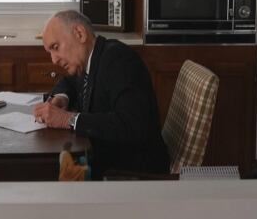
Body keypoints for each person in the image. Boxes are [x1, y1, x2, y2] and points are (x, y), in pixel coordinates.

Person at [33, 10, 170, 179]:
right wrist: (62, 97)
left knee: (42, 174)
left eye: (55, 47)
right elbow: (69, 82)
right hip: (107, 160)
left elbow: (133, 125)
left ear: (79, 34)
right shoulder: (90, 58)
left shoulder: (119, 60)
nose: (53, 59)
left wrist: (68, 119)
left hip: (131, 173)